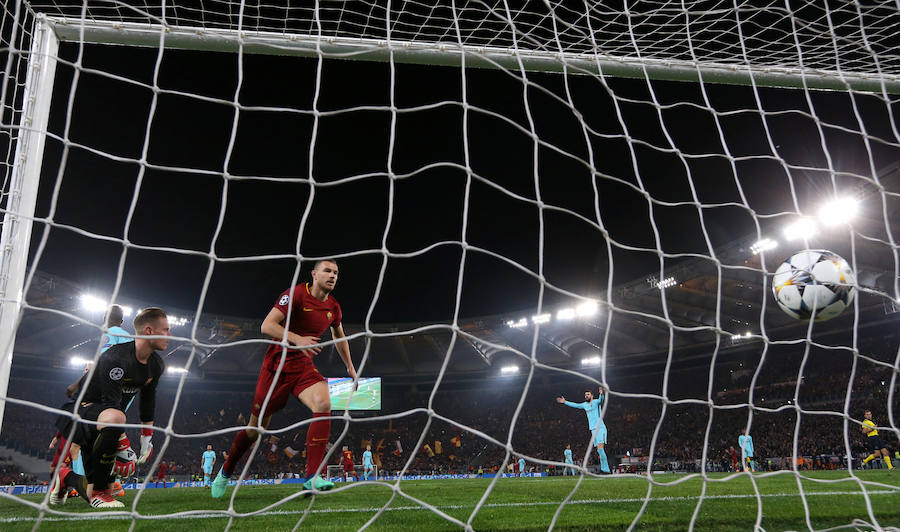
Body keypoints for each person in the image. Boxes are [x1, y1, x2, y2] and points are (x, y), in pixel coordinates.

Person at [211, 260, 357, 498]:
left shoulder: (333, 306)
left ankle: (311, 478)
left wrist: (350, 367)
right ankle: (226, 471)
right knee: (255, 430)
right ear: (314, 274)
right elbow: (266, 326)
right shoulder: (296, 294)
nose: (333, 275)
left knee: (324, 403)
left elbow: (339, 336)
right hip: (275, 368)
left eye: (336, 273)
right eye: (328, 271)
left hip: (303, 367)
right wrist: (297, 338)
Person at [49, 308, 168, 509]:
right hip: (82, 412)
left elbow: (148, 400)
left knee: (90, 492)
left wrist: (146, 438)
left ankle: (65, 477)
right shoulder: (116, 355)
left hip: (105, 419)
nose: (169, 335)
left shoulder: (155, 364)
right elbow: (110, 403)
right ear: (148, 331)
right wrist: (124, 446)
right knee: (115, 419)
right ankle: (101, 492)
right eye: (165, 330)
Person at [556, 386, 610, 473]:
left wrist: (601, 394)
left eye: (588, 394)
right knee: (599, 451)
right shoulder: (585, 405)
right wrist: (565, 402)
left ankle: (606, 469)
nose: (586, 396)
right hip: (593, 429)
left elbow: (601, 400)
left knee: (600, 449)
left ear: (592, 396)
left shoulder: (596, 402)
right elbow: (576, 405)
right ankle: (605, 469)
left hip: (600, 427)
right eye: (585, 395)